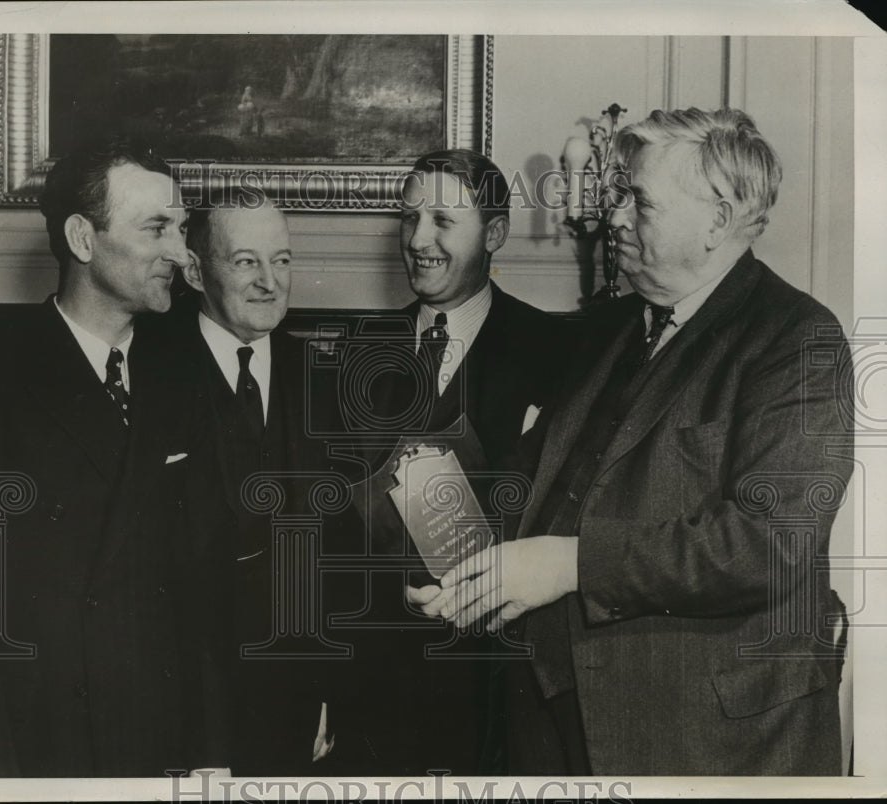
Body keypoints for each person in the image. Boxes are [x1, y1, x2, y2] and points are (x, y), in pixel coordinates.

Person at [410, 108, 854, 775]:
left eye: (638, 201)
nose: (613, 217)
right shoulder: (608, 328)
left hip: (697, 739)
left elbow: (770, 544)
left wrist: (570, 564)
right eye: (617, 196)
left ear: (717, 219)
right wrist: (447, 557)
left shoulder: (797, 340)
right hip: (551, 716)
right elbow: (531, 481)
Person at [0, 136, 199, 776]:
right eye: (156, 227)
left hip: (161, 746)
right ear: (82, 238)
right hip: (43, 748)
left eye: (181, 228)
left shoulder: (187, 375)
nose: (179, 252)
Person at [337, 149, 570, 775]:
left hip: (496, 683)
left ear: (494, 233)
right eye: (410, 219)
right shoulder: (362, 344)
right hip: (376, 681)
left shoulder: (552, 348)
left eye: (443, 220)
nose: (418, 240)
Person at [172, 194, 342, 776]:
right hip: (179, 711)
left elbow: (338, 558)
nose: (271, 282)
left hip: (298, 710)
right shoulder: (148, 372)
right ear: (196, 272)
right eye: (246, 262)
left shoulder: (325, 383)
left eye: (283, 261)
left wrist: (327, 694)